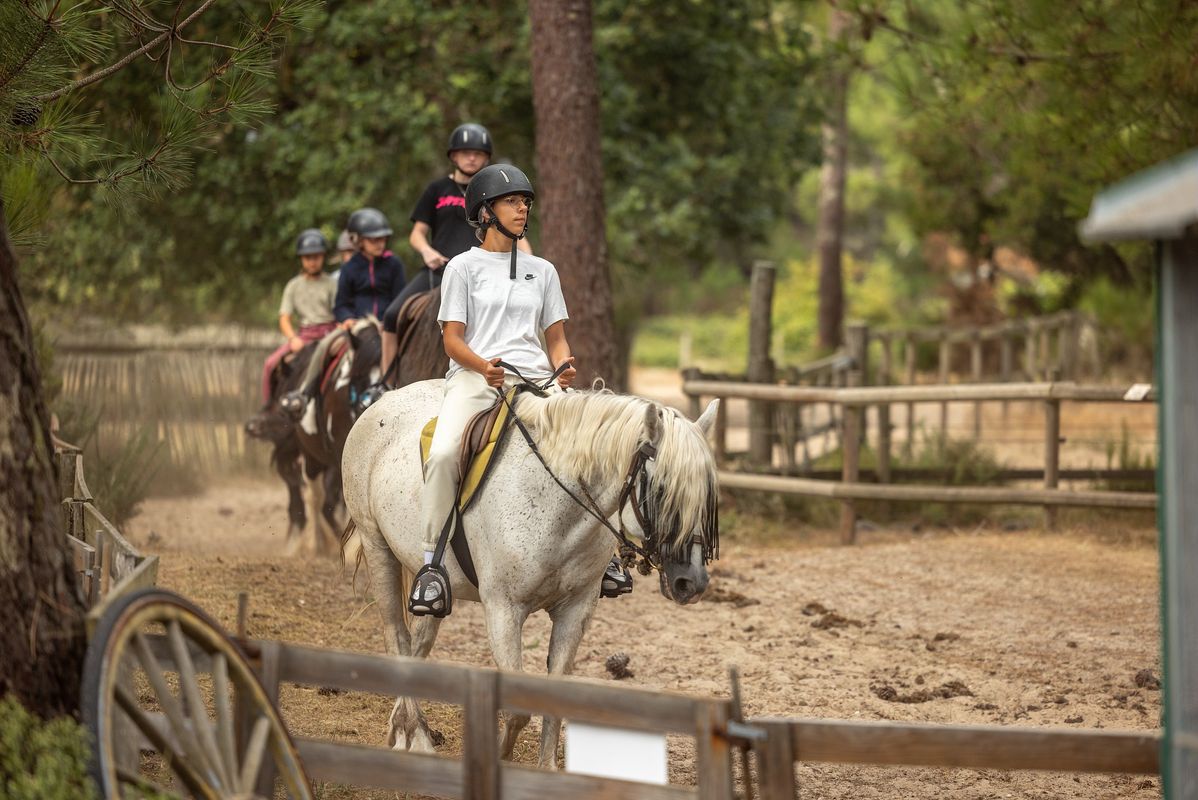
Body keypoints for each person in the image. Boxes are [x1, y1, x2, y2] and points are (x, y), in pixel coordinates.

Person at [410, 163, 569, 617]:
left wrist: (563, 366)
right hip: (476, 378)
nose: (523, 209)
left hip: (535, 381)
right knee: (444, 453)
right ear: (485, 212)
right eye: (512, 202)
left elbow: (556, 339)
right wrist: (483, 366)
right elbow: (452, 340)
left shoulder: (544, 270)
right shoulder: (462, 268)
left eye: (526, 202)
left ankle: (606, 557)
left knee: (591, 445)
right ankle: (431, 566)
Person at [378, 123, 530, 384]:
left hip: (483, 270)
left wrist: (531, 261)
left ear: (486, 158)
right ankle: (386, 382)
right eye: (465, 152)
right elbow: (417, 233)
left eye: (478, 153)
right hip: (440, 269)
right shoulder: (436, 189)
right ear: (454, 156)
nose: (471, 158)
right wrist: (427, 252)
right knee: (392, 315)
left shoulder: (495, 192)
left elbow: (516, 232)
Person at [280, 208, 405, 417]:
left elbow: (400, 297)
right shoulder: (350, 268)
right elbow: (341, 304)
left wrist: (392, 320)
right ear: (358, 241)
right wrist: (346, 319)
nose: (380, 243)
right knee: (325, 346)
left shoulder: (394, 265)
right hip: (357, 327)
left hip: (388, 326)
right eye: (373, 239)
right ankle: (306, 393)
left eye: (383, 238)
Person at [260, 229, 338, 402]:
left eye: (316, 257)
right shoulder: (293, 286)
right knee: (270, 364)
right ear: (302, 258)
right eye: (308, 257)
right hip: (305, 336)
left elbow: (339, 312)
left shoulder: (332, 284)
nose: (312, 262)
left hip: (329, 334)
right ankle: (269, 406)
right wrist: (293, 338)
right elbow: (284, 318)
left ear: (323, 257)